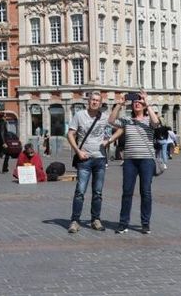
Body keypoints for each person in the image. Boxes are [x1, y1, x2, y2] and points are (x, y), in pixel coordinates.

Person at [109, 91, 161, 234]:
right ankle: (123, 223)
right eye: (134, 102)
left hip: (146, 161)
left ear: (143, 105)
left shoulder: (148, 120)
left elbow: (156, 123)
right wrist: (119, 105)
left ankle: (145, 223)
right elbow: (111, 121)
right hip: (130, 161)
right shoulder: (127, 120)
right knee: (127, 192)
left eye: (139, 102)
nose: (137, 103)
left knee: (146, 192)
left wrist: (147, 103)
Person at [67, 90, 116, 233]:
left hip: (100, 159)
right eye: (92, 100)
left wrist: (109, 140)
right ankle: (75, 221)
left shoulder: (105, 117)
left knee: (98, 192)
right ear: (88, 101)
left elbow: (120, 128)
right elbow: (70, 133)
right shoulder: (79, 115)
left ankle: (96, 219)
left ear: (101, 104)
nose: (94, 102)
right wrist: (78, 151)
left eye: (97, 100)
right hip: (85, 159)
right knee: (80, 192)